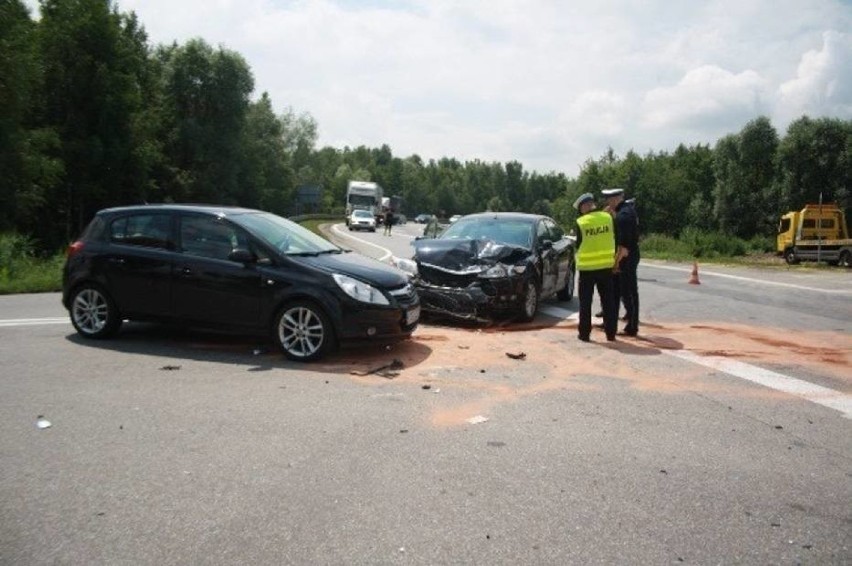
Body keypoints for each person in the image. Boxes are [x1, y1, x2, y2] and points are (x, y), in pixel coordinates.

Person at [573, 192, 617, 342]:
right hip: (606, 267)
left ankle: (584, 334)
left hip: (587, 269)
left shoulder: (581, 222)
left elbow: (578, 245)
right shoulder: (607, 218)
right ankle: (611, 333)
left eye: (581, 208)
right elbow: (614, 237)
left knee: (585, 303)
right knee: (608, 302)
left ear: (585, 207)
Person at [602, 188, 640, 336]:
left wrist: (615, 265)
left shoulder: (623, 216)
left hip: (626, 258)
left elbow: (623, 248)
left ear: (616, 199)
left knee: (628, 292)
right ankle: (630, 323)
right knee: (628, 291)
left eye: (609, 200)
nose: (607, 203)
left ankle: (632, 326)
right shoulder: (627, 211)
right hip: (631, 255)